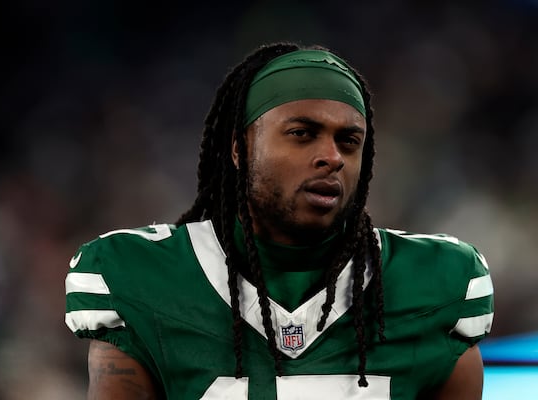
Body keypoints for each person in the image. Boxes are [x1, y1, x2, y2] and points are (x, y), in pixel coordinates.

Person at [64, 41, 494, 399]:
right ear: (239, 149)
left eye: (349, 141)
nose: (332, 157)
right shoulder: (141, 275)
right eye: (302, 133)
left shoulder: (438, 282)